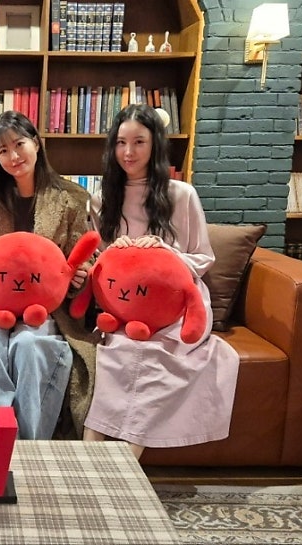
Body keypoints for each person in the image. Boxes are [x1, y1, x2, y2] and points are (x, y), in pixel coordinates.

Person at [84, 103, 239, 458]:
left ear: (155, 144)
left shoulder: (181, 194)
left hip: (175, 306)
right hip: (125, 305)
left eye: (139, 142)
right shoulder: (101, 199)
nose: (128, 152)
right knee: (114, 352)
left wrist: (165, 253)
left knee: (155, 355)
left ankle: (127, 464)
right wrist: (112, 255)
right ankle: (90, 456)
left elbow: (203, 258)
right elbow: (99, 264)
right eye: (121, 142)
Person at [0, 110, 98, 440]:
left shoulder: (71, 199)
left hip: (47, 309)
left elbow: (79, 258)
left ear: (36, 143)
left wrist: (78, 278)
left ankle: (30, 443)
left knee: (30, 344)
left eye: (19, 144)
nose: (13, 156)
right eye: (2, 150)